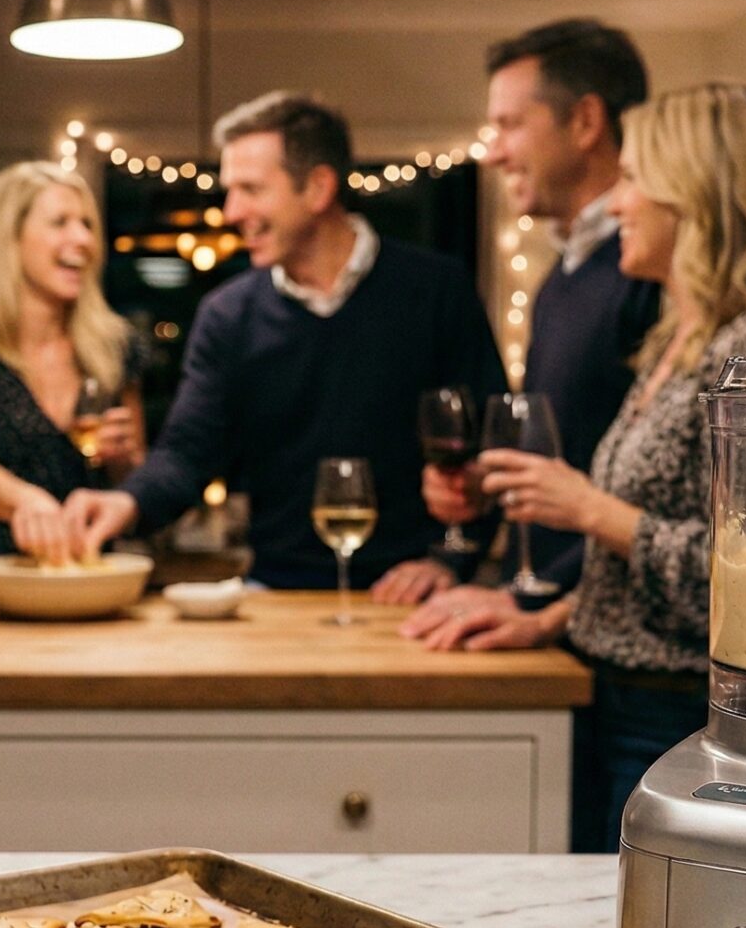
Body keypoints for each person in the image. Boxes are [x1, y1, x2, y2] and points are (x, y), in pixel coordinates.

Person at [404, 83, 746, 851]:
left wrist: (590, 508)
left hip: (679, 719)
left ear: (698, 196)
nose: (620, 202)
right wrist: (546, 619)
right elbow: (639, 571)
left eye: (635, 180)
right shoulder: (681, 339)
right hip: (621, 697)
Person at [62, 91, 504, 592]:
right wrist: (127, 502)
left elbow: (488, 452)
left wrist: (448, 562)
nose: (231, 211)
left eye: (250, 189)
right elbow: (188, 451)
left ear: (317, 188)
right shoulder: (227, 315)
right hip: (276, 588)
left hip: (411, 595)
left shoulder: (436, 290)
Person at [415, 19, 661, 610]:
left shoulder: (650, 275)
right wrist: (485, 491)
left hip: (603, 631)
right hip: (551, 617)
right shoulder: (561, 278)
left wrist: (539, 607)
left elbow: (661, 502)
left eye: (508, 125)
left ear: (584, 122)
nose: (494, 151)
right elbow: (570, 457)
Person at [0, 161, 146, 584]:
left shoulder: (114, 347)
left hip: (88, 576)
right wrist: (30, 503)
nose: (82, 239)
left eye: (86, 224)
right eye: (60, 222)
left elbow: (130, 482)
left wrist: (126, 461)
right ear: (8, 239)